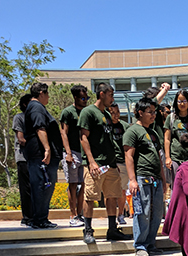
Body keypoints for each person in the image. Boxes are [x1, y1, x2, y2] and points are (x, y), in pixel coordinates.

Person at [78, 83, 130, 244]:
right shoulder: (88, 112)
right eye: (110, 95)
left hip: (111, 164)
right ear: (101, 94)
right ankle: (87, 230)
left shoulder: (106, 114)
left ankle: (112, 229)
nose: (112, 98)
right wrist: (91, 161)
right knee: (90, 197)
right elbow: (83, 137)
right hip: (96, 164)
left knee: (112, 196)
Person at [123, 97, 166, 256]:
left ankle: (150, 243)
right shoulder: (133, 131)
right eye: (150, 112)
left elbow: (158, 157)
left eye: (155, 112)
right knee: (143, 212)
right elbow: (129, 156)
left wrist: (163, 178)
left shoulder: (153, 133)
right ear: (140, 113)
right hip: (141, 177)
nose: (153, 115)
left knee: (156, 213)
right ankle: (140, 245)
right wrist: (132, 179)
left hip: (156, 179)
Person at [24, 82, 63, 229]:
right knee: (42, 185)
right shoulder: (36, 107)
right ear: (41, 93)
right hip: (40, 154)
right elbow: (40, 127)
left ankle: (41, 218)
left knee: (44, 186)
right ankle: (39, 219)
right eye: (47, 94)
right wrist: (47, 149)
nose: (48, 97)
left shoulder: (37, 107)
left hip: (41, 155)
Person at [60, 85, 88, 227]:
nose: (85, 100)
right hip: (72, 152)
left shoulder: (86, 112)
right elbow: (63, 132)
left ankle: (80, 213)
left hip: (84, 153)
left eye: (87, 98)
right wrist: (68, 153)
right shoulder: (68, 112)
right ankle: (73, 215)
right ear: (75, 98)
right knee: (72, 184)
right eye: (83, 98)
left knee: (83, 185)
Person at [164, 89, 188, 177]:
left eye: (184, 101)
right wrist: (167, 157)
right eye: (179, 101)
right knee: (176, 185)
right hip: (175, 158)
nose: (182, 104)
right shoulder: (171, 118)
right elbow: (167, 139)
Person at [13, 94, 33, 227]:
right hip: (23, 158)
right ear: (25, 104)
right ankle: (27, 217)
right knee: (26, 189)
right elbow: (20, 138)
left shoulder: (37, 117)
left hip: (36, 159)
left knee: (37, 188)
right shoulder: (19, 117)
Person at [110, 103, 130, 225]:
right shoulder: (105, 126)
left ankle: (121, 214)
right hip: (111, 163)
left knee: (122, 190)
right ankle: (111, 216)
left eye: (117, 112)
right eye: (112, 112)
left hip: (123, 163)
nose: (116, 115)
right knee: (110, 192)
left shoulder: (125, 126)